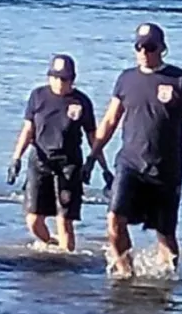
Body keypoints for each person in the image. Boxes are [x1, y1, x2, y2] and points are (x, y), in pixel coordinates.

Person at [85, 22, 182, 277]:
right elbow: (110, 120)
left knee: (165, 234)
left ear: (162, 48)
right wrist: (92, 156)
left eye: (150, 47)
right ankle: (125, 273)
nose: (144, 52)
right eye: (139, 47)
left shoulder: (180, 79)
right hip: (130, 163)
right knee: (114, 220)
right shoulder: (126, 79)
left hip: (166, 167)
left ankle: (171, 279)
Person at [6, 54, 114, 251]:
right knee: (33, 220)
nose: (58, 82)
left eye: (63, 79)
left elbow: (93, 137)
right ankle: (51, 245)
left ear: (72, 79)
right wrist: (16, 158)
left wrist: (102, 167)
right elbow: (28, 130)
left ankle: (66, 262)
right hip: (40, 162)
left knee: (64, 221)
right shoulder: (38, 96)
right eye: (54, 77)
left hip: (69, 165)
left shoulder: (81, 101)